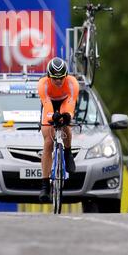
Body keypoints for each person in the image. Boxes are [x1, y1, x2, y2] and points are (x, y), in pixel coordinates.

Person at [37, 57, 79, 202]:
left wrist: (67, 115)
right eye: (55, 79)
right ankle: (44, 185)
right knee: (48, 141)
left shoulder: (72, 83)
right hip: (49, 103)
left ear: (66, 75)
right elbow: (47, 106)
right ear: (49, 77)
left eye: (61, 78)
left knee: (66, 125)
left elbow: (71, 103)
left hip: (65, 101)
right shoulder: (43, 84)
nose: (59, 81)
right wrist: (52, 117)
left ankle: (68, 152)